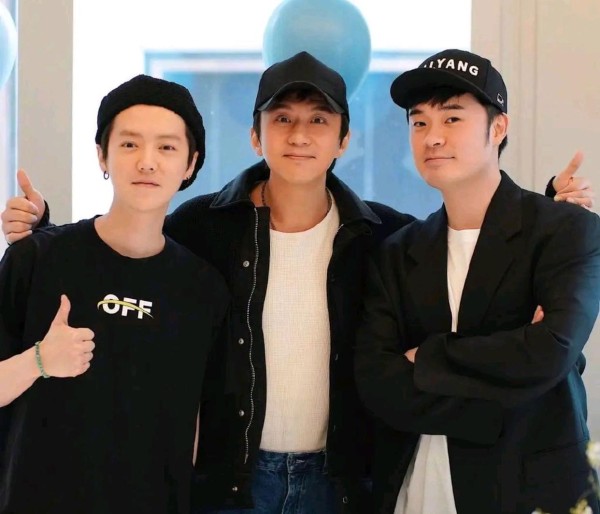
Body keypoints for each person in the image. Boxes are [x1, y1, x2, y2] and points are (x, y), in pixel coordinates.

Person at [0, 52, 594, 514]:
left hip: (341, 483)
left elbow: (475, 263)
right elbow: (131, 251)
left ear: (344, 139)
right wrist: (46, 233)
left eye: (318, 120)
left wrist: (545, 219)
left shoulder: (382, 235)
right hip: (232, 483)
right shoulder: (203, 227)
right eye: (281, 119)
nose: (299, 135)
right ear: (255, 136)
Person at [355, 48, 600, 514]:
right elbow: (378, 383)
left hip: (529, 489)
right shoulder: (398, 250)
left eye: (452, 119)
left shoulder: (566, 229)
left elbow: (551, 350)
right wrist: (510, 384)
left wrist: (425, 358)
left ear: (498, 127)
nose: (432, 137)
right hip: (416, 488)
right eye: (419, 122)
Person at [0, 75, 229, 514]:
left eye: (166, 147)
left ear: (190, 164)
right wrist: (39, 361)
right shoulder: (38, 259)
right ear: (102, 155)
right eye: (129, 144)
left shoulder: (203, 289)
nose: (147, 162)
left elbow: (200, 427)